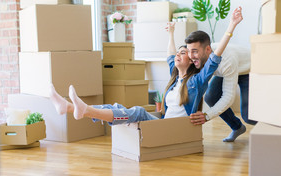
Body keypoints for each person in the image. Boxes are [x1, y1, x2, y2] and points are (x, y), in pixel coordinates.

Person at [49, 7, 243, 126]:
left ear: (191, 62)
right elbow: (169, 53)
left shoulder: (198, 81)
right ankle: (66, 107)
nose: (177, 54)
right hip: (165, 125)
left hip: (176, 129)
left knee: (140, 112)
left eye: (183, 53)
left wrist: (231, 26)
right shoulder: (175, 78)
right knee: (116, 107)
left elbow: (215, 57)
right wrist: (170, 34)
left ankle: (81, 109)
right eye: (179, 52)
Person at [187, 8, 257, 142]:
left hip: (247, 70)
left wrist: (207, 116)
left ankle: (272, 128)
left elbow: (228, 97)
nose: (191, 56)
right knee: (211, 97)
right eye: (189, 51)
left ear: (208, 50)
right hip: (224, 71)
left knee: (248, 115)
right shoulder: (200, 57)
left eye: (194, 51)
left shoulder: (226, 61)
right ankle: (237, 127)